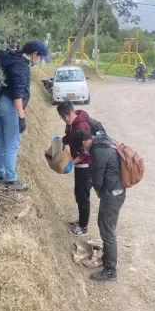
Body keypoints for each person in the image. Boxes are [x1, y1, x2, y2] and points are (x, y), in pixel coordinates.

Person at [67, 129, 125, 282]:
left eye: (82, 148)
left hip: (112, 193)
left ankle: (110, 270)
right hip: (115, 190)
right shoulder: (103, 141)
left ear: (86, 141)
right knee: (105, 226)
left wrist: (99, 192)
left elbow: (98, 180)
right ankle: (107, 260)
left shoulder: (99, 151)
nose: (83, 151)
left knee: (107, 230)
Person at [0, 41, 49, 191]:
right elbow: (17, 93)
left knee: (1, 141)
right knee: (12, 143)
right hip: (9, 105)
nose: (40, 60)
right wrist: (21, 117)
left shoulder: (8, 58)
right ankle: (11, 179)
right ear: (34, 53)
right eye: (40, 57)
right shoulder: (21, 65)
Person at [58, 101, 95, 236]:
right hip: (80, 165)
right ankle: (80, 221)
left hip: (87, 165)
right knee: (78, 193)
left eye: (68, 115)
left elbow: (86, 150)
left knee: (83, 195)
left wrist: (72, 162)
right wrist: (59, 141)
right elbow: (69, 138)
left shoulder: (81, 125)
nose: (66, 119)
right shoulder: (72, 125)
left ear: (73, 111)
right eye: (63, 117)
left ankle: (83, 227)